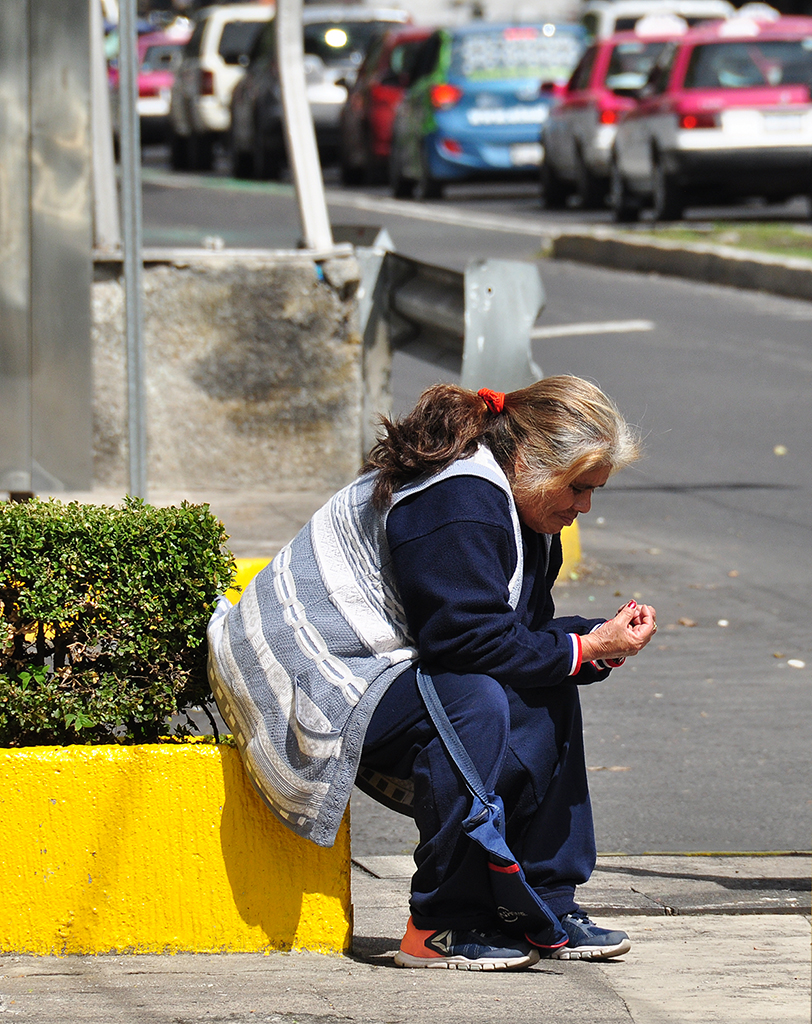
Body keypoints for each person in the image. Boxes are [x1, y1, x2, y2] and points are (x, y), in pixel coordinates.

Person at [207, 375, 657, 972]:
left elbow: (510, 633)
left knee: (546, 683)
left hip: (387, 664)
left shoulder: (525, 510)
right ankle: (441, 924)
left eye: (594, 491)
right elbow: (465, 643)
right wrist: (583, 647)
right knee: (473, 699)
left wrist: (596, 644)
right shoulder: (459, 499)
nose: (584, 507)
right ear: (528, 460)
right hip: (314, 678)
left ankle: (542, 904)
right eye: (577, 488)